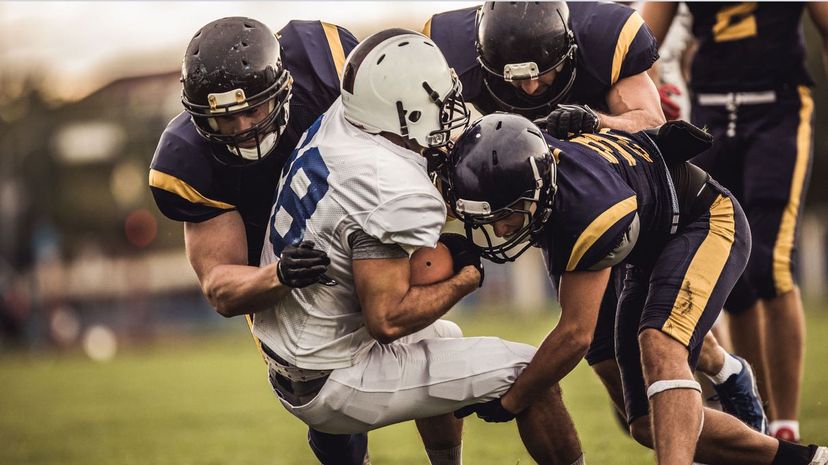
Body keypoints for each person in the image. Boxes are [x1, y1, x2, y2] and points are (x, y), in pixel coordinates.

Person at [426, 0, 765, 433]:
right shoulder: (449, 51)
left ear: (569, 48)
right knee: (623, 394)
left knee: (660, 340)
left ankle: (723, 378)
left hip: (634, 189)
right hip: (555, 203)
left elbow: (650, 121)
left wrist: (596, 121)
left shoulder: (604, 35)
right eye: (515, 78)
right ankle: (719, 398)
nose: (530, 89)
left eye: (541, 71)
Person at [256, 29, 584, 465]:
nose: (449, 110)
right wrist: (466, 279)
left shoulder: (346, 120)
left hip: (294, 355)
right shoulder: (393, 189)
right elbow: (387, 321)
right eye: (438, 102)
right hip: (334, 378)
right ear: (405, 111)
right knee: (530, 372)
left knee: (444, 337)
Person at [443, 112, 828, 465]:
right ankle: (806, 461)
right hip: (648, 249)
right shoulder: (529, 158)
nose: (500, 230)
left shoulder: (586, 206)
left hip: (705, 221)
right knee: (645, 423)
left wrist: (512, 400)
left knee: (660, 344)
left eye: (506, 214)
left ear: (539, 190)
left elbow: (575, 334)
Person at [147, 17, 370, 465]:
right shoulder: (188, 159)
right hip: (277, 267)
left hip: (363, 220)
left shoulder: (325, 62)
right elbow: (220, 285)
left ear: (285, 86)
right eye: (225, 118)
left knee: (422, 336)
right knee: (316, 388)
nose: (244, 126)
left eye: (253, 109)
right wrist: (279, 274)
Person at [641, 2, 828, 442]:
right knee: (733, 273)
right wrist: (646, 89)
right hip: (708, 113)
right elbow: (638, 40)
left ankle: (784, 424)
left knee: (771, 265)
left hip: (778, 109)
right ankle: (753, 414)